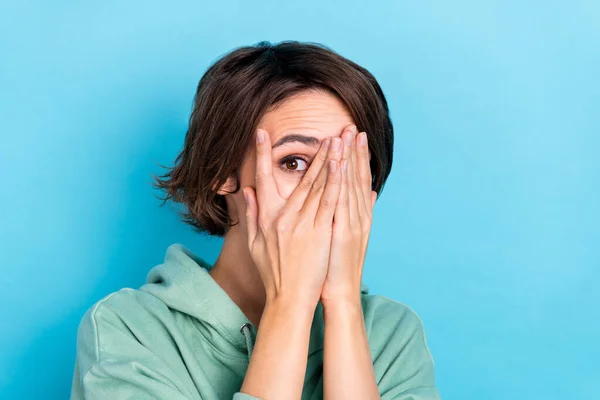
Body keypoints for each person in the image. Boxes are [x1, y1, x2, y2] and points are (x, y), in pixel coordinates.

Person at [70, 40, 441, 400]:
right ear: (221, 172)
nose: (329, 189)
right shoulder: (129, 330)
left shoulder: (392, 334)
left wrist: (343, 304)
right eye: (294, 162)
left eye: (349, 166)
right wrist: (289, 303)